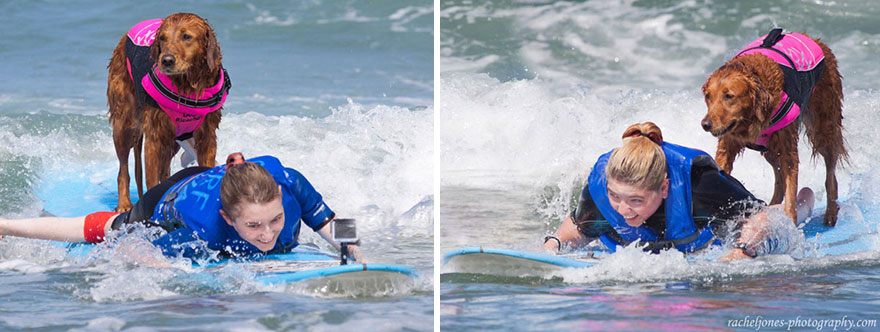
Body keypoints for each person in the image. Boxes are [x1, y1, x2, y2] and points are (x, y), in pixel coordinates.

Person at [0, 152, 362, 262]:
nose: (268, 233)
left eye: (275, 220)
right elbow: (136, 250)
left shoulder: (288, 184)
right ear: (227, 219)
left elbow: (331, 220)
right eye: (253, 227)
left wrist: (355, 250)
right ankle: (6, 225)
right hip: (173, 195)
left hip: (233, 180)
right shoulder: (199, 224)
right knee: (113, 229)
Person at [543, 122, 814, 261]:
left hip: (711, 230)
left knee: (781, 216)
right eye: (616, 197)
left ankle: (805, 202)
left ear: (663, 188)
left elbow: (758, 215)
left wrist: (741, 250)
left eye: (636, 200)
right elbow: (579, 227)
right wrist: (553, 244)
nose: (623, 210)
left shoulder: (701, 187)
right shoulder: (601, 190)